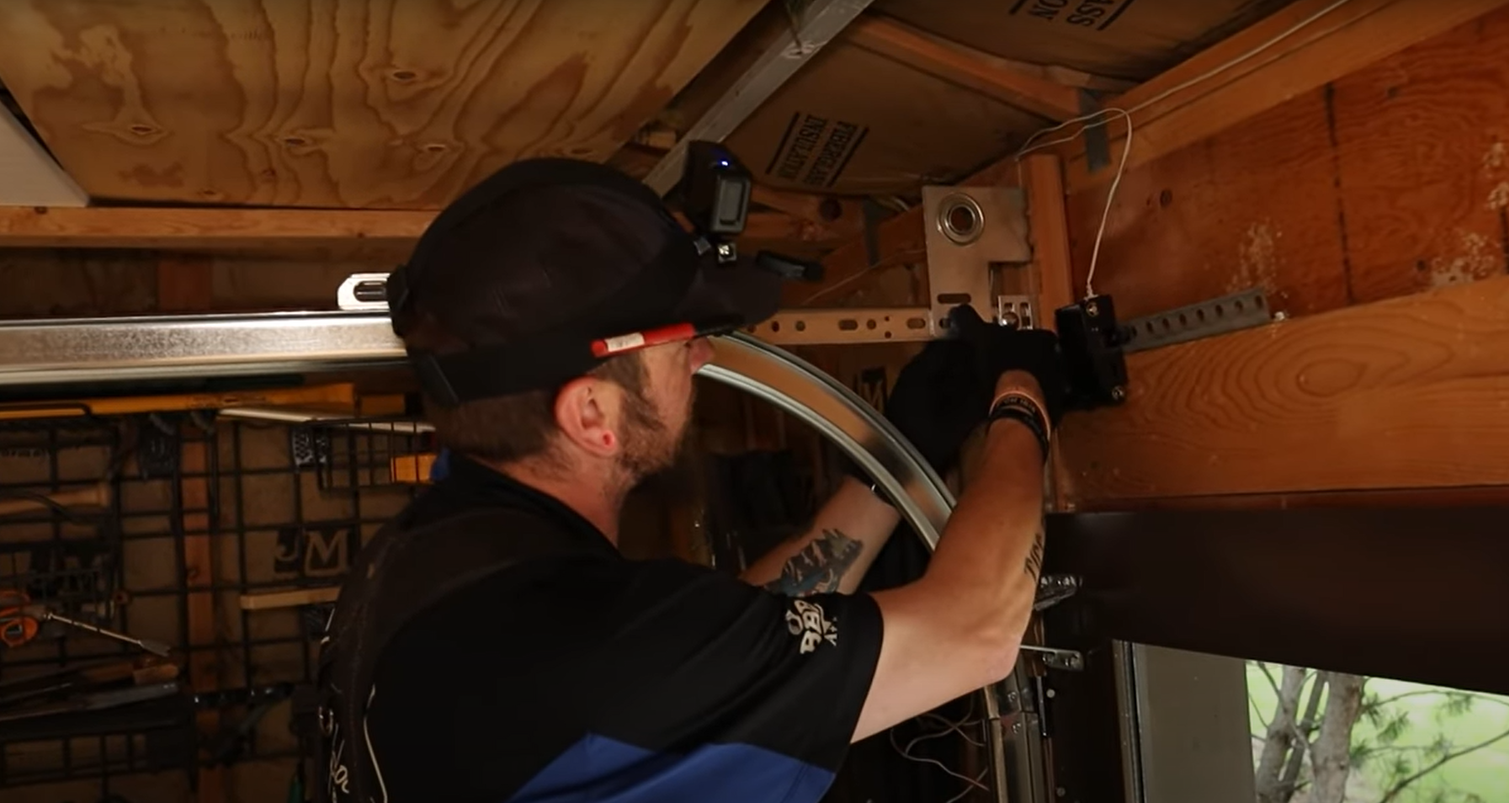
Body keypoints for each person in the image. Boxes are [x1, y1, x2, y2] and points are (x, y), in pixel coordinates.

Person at [310, 157, 1067, 803]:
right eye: (680, 343)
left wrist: (891, 469)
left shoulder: (430, 554)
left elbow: (726, 650)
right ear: (593, 414)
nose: (702, 358)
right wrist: (1023, 397)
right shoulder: (587, 649)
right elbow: (974, 629)